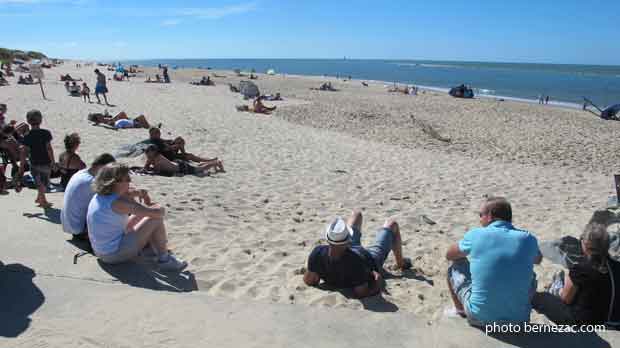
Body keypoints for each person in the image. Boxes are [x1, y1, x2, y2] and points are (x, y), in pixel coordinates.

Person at [445, 197, 541, 326]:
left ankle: (460, 310)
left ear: (489, 216)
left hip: (479, 317)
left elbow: (449, 255)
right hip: (519, 320)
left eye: (480, 215)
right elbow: (538, 259)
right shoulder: (528, 238)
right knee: (531, 276)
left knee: (455, 265)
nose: (479, 219)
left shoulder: (476, 234)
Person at [86, 163, 188, 271]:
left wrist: (138, 194)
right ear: (114, 182)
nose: (130, 182)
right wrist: (159, 207)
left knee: (144, 215)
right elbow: (158, 213)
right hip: (112, 255)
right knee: (155, 218)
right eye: (127, 179)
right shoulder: (118, 202)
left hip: (101, 250)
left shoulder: (102, 195)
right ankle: (164, 260)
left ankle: (154, 249)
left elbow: (128, 196)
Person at [303, 210, 412, 298]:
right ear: (347, 240)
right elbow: (362, 293)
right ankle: (400, 263)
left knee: (356, 214)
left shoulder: (317, 253)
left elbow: (309, 281)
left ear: (328, 239)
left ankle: (340, 238)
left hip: (350, 250)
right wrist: (378, 283)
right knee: (392, 224)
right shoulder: (356, 263)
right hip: (370, 258)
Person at [546, 223, 620, 325]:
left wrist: (558, 291)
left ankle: (555, 286)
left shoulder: (580, 269)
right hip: (612, 320)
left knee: (546, 295)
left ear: (585, 244)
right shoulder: (616, 266)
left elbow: (565, 300)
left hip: (585, 323)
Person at [61, 153, 116, 242]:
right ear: (101, 167)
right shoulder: (92, 182)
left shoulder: (81, 173)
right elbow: (112, 201)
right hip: (78, 229)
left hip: (68, 224)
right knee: (110, 209)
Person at [19, 110, 56, 208]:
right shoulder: (46, 133)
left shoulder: (27, 136)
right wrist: (53, 162)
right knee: (44, 183)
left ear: (28, 121)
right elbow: (49, 148)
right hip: (45, 162)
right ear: (41, 120)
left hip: (34, 162)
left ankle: (39, 197)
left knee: (39, 182)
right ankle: (43, 201)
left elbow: (24, 152)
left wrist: (22, 166)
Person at [148, 127, 224, 170]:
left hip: (170, 153)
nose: (158, 134)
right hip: (169, 157)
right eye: (156, 133)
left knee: (179, 139)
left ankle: (185, 155)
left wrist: (172, 141)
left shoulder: (157, 140)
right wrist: (175, 146)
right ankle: (209, 161)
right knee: (189, 155)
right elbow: (165, 149)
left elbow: (164, 141)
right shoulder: (155, 142)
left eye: (158, 133)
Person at [144, 145, 218, 177]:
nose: (147, 155)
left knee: (199, 169)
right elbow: (146, 167)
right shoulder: (151, 158)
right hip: (178, 164)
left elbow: (157, 171)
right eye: (147, 153)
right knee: (197, 167)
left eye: (149, 153)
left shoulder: (158, 158)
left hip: (181, 168)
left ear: (154, 152)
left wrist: (148, 169)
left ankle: (215, 163)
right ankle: (211, 163)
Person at [88, 111, 153, 129]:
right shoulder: (103, 122)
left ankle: (150, 126)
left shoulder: (103, 120)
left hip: (125, 122)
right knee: (141, 117)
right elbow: (111, 125)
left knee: (141, 118)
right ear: (98, 118)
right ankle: (150, 127)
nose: (101, 115)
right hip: (124, 123)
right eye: (99, 115)